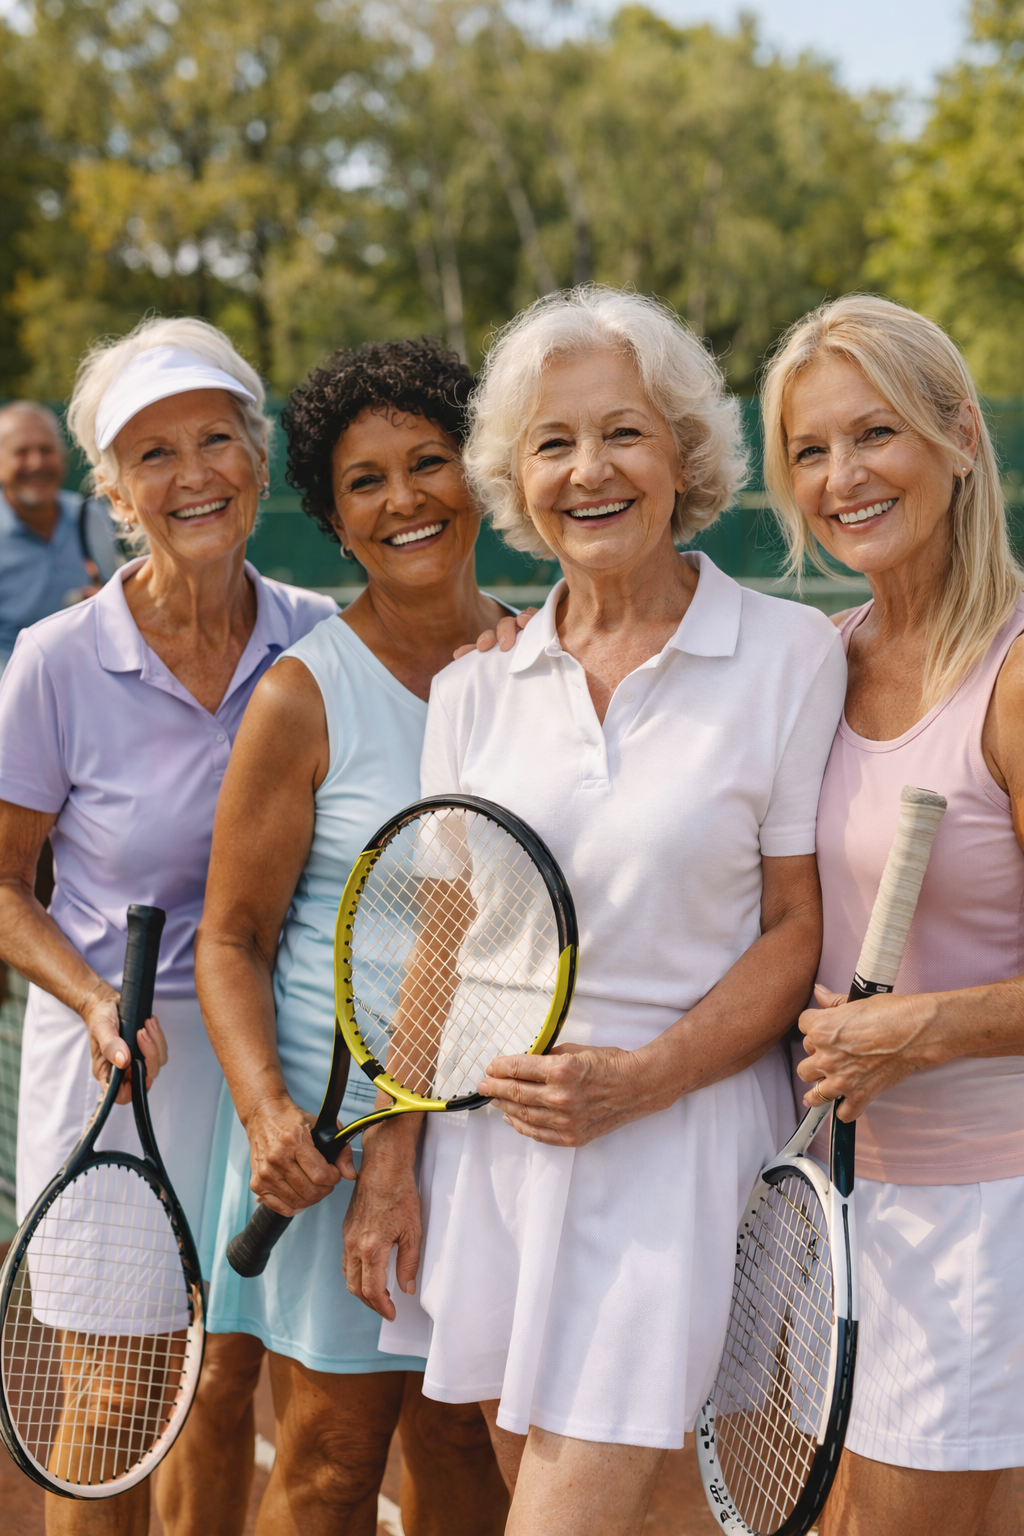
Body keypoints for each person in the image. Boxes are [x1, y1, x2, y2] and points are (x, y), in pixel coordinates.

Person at [341, 286, 848, 1536]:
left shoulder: (790, 656)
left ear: (683, 452)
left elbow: (794, 928)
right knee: (659, 1518)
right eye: (552, 444)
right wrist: (392, 1159)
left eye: (622, 431)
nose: (590, 470)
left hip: (684, 1152)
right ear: (517, 480)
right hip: (500, 1162)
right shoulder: (477, 692)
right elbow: (444, 945)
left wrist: (643, 1078)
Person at [0, 316, 337, 1536]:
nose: (191, 474)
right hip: (116, 1069)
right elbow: (3, 886)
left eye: (214, 441)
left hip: (273, 1065)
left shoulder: (322, 640)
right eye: (153, 454)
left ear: (257, 459)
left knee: (228, 1385)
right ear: (114, 489)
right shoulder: (52, 662)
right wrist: (93, 1001)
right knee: (114, 1401)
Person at [194, 339, 511, 1536]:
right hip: (329, 1136)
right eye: (364, 481)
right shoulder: (301, 694)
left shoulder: (545, 665)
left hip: (488, 1133)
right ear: (331, 517)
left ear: (478, 475)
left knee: (462, 1445)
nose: (404, 499)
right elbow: (229, 938)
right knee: (329, 1458)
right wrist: (271, 1113)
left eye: (429, 461)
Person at [760, 294, 1024, 1536]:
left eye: (874, 434)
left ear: (958, 435)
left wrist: (922, 1030)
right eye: (808, 450)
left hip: (990, 1209)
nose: (841, 477)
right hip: (843, 1203)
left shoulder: (1016, 676)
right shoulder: (817, 658)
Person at [0, 400, 121, 670]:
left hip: (89, 680)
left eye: (46, 450)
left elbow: (112, 596)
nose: (36, 463)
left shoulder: (92, 517)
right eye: (21, 452)